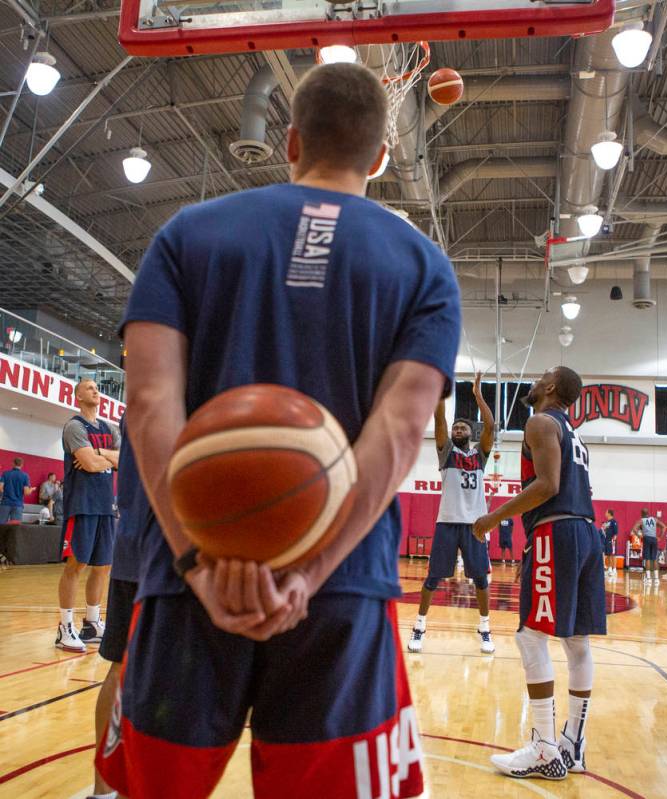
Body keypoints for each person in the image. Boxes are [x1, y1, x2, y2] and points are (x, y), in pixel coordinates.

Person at [96, 62, 460, 799]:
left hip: (183, 579)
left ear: (289, 141)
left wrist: (200, 560)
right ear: (382, 155)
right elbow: (399, 432)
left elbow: (148, 403)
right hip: (341, 589)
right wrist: (306, 574)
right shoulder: (424, 266)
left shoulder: (184, 234)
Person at [473, 367, 605, 782]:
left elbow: (547, 485)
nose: (533, 382)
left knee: (531, 636)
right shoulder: (573, 430)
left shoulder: (540, 421)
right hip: (586, 531)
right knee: (576, 640)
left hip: (557, 529)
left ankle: (545, 749)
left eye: (540, 377)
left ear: (550, 388)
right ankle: (573, 745)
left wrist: (491, 519)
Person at [407, 372, 496, 655]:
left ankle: (484, 627)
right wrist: (441, 388)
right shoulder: (447, 454)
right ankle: (419, 626)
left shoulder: (479, 457)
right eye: (455, 428)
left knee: (481, 579)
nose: (457, 429)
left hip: (475, 526)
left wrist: (479, 396)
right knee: (433, 579)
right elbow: (439, 418)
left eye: (462, 428)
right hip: (447, 523)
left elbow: (491, 427)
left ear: (470, 433)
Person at [90, 416, 146, 799]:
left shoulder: (146, 393)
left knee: (121, 667)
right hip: (169, 550)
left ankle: (103, 789)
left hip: (135, 545)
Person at [56, 379, 120, 652]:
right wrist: (106, 458)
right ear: (78, 396)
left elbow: (124, 459)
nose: (97, 391)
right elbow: (92, 465)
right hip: (82, 505)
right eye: (90, 388)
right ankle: (64, 628)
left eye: (97, 388)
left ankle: (92, 624)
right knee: (76, 566)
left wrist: (99, 453)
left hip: (106, 505)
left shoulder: (110, 429)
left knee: (103, 566)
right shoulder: (74, 427)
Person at [631, 508, 665, 584]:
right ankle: (656, 579)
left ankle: (648, 578)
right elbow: (664, 527)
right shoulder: (654, 519)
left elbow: (634, 529)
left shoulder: (641, 520)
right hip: (654, 539)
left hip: (646, 538)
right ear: (648, 513)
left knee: (647, 558)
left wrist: (639, 536)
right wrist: (660, 537)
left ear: (642, 514)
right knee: (654, 558)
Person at [0, 457, 31, 523]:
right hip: (18, 504)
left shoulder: (5, 474)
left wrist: (6, 493)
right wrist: (31, 490)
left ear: (13, 463)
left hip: (5, 503)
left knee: (1, 525)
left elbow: (0, 488)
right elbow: (26, 493)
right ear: (22, 465)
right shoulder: (25, 476)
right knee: (15, 528)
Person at [602, 510, 618, 579]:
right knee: (608, 554)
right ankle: (609, 569)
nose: (605, 513)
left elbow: (616, 532)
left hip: (611, 541)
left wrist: (613, 539)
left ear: (609, 514)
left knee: (613, 555)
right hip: (606, 540)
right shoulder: (607, 522)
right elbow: (605, 530)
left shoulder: (613, 522)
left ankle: (614, 570)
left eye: (606, 512)